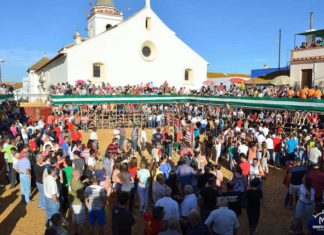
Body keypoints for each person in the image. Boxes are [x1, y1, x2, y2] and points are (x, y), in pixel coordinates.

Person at [69, 169, 85, 235]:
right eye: (79, 174)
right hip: (78, 204)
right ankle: (80, 233)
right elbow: (82, 197)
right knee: (80, 222)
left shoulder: (71, 181)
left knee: (74, 220)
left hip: (72, 203)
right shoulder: (79, 186)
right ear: (78, 175)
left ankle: (75, 232)